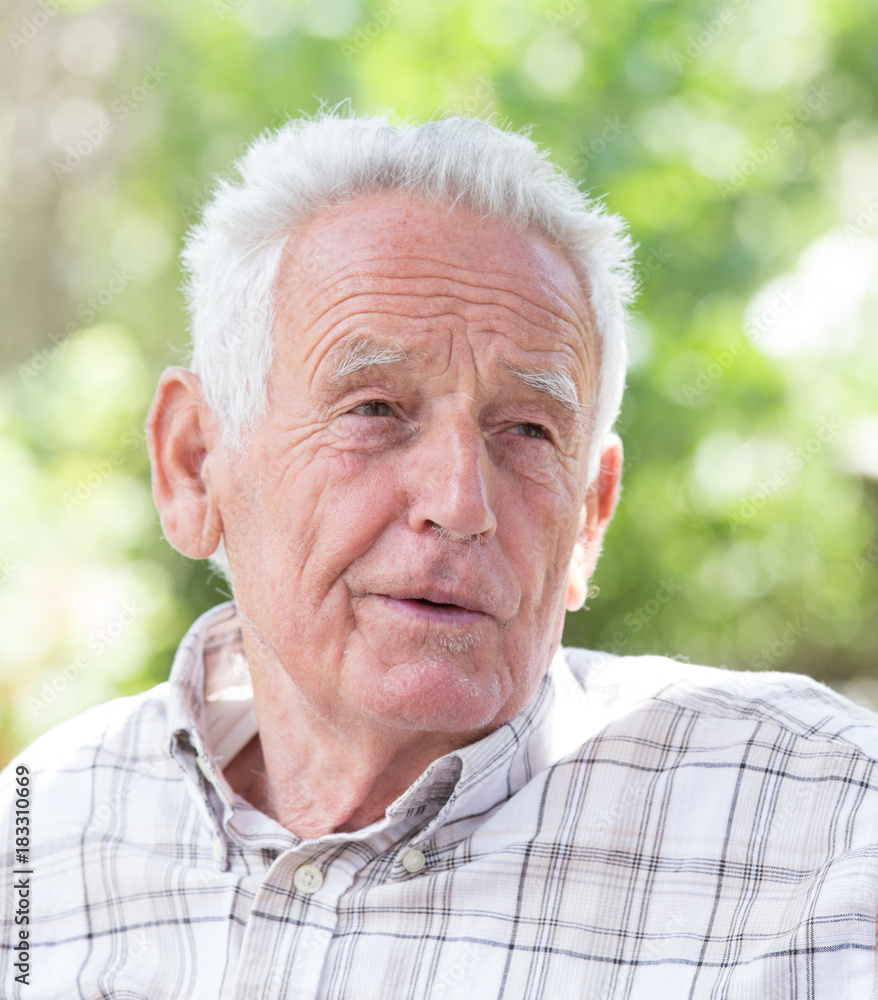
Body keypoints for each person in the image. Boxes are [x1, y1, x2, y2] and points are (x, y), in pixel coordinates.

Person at [3, 111, 878, 1000]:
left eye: (528, 430)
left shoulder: (832, 833)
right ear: (194, 465)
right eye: (375, 409)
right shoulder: (41, 827)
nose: (461, 503)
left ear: (588, 517)